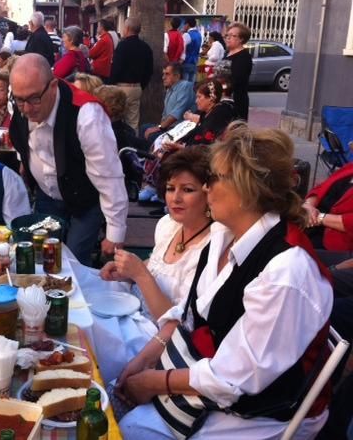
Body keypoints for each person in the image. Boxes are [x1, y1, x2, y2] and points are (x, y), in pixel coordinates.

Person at [116, 124, 333, 439]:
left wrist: (153, 383)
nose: (206, 188)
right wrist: (144, 361)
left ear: (247, 189)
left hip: (263, 411)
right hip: (218, 373)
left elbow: (235, 380)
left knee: (129, 431)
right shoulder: (224, 234)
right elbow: (191, 316)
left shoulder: (286, 273)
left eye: (214, 178)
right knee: (113, 390)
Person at [9, 53, 128, 266]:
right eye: (19, 100)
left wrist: (115, 231)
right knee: (41, 258)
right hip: (46, 196)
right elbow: (21, 142)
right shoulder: (22, 105)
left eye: (34, 99)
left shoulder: (87, 115)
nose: (26, 109)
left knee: (74, 261)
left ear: (53, 86)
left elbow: (109, 176)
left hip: (85, 199)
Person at [101, 146, 212, 323]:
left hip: (158, 339)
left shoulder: (211, 248)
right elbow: (158, 265)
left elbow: (179, 325)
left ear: (209, 194)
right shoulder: (168, 225)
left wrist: (140, 274)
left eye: (188, 190)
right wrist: (127, 272)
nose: (175, 198)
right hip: (132, 314)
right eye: (170, 188)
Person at [110, 16, 154, 132]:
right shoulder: (146, 47)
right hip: (136, 88)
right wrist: (141, 85)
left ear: (128, 28)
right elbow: (149, 71)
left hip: (121, 87)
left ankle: (120, 145)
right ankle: (133, 146)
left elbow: (116, 68)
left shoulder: (122, 46)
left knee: (116, 120)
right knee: (133, 122)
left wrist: (111, 84)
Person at [139, 62, 196, 148]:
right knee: (144, 128)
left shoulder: (185, 86)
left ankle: (150, 157)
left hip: (178, 132)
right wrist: (158, 127)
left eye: (167, 74)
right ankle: (144, 157)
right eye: (163, 74)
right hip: (168, 128)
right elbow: (165, 115)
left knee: (150, 134)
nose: (163, 77)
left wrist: (159, 128)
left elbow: (176, 114)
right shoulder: (170, 89)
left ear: (177, 76)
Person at [303, 162, 353, 257]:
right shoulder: (350, 167)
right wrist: (308, 205)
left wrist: (318, 218)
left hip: (334, 242)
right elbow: (321, 187)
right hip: (309, 221)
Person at [216, 22, 253, 121]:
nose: (228, 38)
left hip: (234, 100)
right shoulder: (227, 53)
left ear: (241, 39)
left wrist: (219, 87)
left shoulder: (243, 57)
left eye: (232, 36)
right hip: (221, 98)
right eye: (227, 35)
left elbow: (236, 80)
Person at [180, 17, 202, 83]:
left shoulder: (187, 35)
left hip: (186, 62)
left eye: (184, 24)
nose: (184, 26)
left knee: (184, 85)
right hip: (195, 62)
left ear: (187, 24)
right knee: (191, 86)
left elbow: (182, 49)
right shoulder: (199, 35)